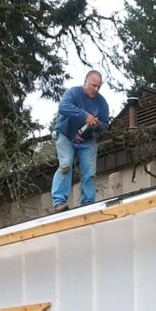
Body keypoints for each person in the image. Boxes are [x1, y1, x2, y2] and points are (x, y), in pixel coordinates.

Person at [51, 70, 110, 213]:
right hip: (65, 135)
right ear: (85, 82)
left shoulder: (102, 103)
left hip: (87, 140)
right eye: (93, 85)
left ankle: (88, 204)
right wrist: (84, 115)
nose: (95, 89)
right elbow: (63, 107)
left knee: (90, 172)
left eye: (98, 87)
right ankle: (59, 202)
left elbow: (105, 124)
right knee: (65, 165)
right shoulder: (73, 93)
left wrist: (97, 125)